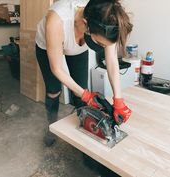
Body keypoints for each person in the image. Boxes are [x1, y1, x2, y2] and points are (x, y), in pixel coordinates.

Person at [35, 0, 133, 147]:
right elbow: (57, 69)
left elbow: (111, 60)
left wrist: (118, 99)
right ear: (85, 24)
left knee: (80, 90)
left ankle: (85, 126)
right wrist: (87, 95)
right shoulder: (56, 20)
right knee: (53, 90)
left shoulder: (104, 20)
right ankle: (51, 126)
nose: (102, 48)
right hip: (47, 45)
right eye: (100, 44)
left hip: (77, 49)